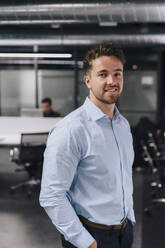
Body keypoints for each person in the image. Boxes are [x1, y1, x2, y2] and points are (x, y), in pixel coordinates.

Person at [39, 42, 135, 248]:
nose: (112, 81)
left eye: (117, 74)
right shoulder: (71, 129)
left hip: (124, 233)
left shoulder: (123, 126)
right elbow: (51, 196)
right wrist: (87, 243)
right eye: (103, 74)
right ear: (88, 80)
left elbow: (124, 176)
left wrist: (130, 217)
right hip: (90, 236)